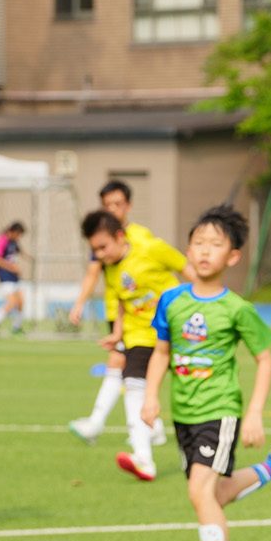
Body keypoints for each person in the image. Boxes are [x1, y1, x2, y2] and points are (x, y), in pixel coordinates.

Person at [141, 204, 271, 541]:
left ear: (233, 256)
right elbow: (161, 352)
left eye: (215, 244)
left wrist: (253, 413)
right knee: (213, 494)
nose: (204, 251)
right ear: (187, 248)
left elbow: (265, 360)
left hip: (219, 411)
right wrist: (150, 396)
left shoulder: (237, 308)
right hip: (183, 412)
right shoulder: (171, 301)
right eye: (198, 242)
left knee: (199, 492)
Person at [74, 210, 187, 481]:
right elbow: (122, 303)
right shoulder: (110, 269)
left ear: (119, 236)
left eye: (103, 247)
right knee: (134, 387)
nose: (99, 254)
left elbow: (190, 271)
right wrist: (117, 333)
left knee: (185, 393)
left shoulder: (151, 249)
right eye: (94, 250)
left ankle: (192, 455)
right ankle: (143, 459)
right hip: (139, 337)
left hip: (176, 331)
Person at [65, 179, 179, 447]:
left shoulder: (140, 238)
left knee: (124, 365)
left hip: (141, 316)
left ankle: (102, 423)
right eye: (107, 205)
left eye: (117, 204)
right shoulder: (101, 238)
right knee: (124, 366)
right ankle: (149, 427)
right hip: (117, 312)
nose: (113, 209)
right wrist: (80, 302)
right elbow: (93, 273)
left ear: (128, 205)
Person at [0, 221, 27, 337]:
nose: (19, 237)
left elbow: (20, 252)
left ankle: (16, 327)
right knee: (12, 302)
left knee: (21, 302)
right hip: (5, 276)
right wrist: (12, 267)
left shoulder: (14, 242)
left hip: (15, 277)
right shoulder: (1, 240)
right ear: (13, 231)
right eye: (18, 234)